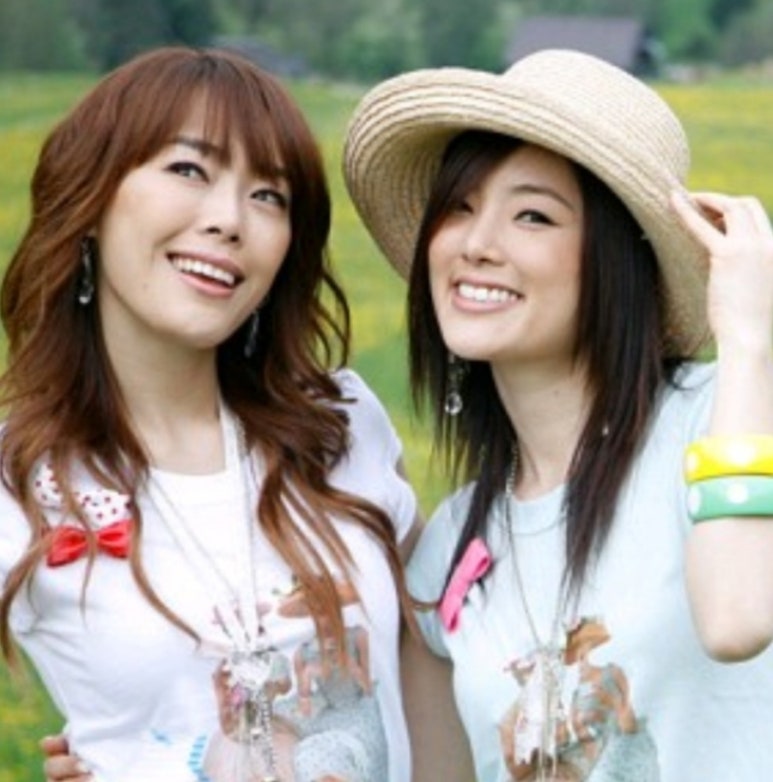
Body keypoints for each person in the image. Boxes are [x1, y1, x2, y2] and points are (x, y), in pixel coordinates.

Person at [343, 48, 773, 780]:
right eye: (460, 206)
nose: (478, 245)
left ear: (616, 260)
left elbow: (736, 620)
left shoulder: (724, 419)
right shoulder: (449, 551)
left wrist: (747, 339)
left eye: (533, 216)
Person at [0, 45, 421, 782]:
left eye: (269, 196)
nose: (229, 220)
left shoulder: (343, 425)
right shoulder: (17, 475)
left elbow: (426, 684)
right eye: (189, 170)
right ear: (91, 200)